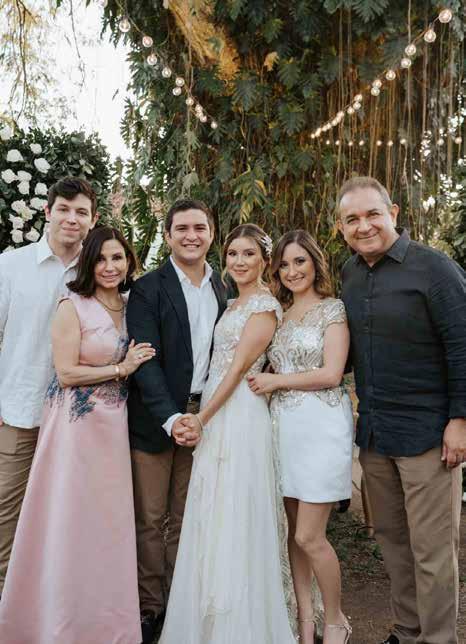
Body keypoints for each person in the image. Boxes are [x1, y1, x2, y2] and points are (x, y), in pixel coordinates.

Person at [0, 226, 154, 643]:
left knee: (107, 523)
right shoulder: (72, 305)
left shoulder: (132, 306)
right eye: (101, 258)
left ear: (129, 262)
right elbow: (66, 372)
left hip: (114, 426)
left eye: (117, 258)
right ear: (89, 263)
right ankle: (55, 622)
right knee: (68, 519)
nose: (109, 266)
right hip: (74, 428)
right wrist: (121, 368)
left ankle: (105, 625)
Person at [338, 176, 466, 644]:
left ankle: (438, 639)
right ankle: (407, 630)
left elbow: (462, 346)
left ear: (392, 213)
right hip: (375, 434)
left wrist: (460, 421)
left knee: (432, 552)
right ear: (341, 227)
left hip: (429, 435)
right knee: (393, 543)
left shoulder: (435, 269)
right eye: (352, 219)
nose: (364, 226)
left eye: (372, 214)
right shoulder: (349, 274)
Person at [159, 223, 295, 644]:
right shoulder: (231, 302)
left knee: (237, 510)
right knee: (210, 508)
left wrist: (201, 418)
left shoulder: (265, 308)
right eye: (233, 253)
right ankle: (203, 619)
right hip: (217, 414)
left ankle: (239, 626)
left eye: (249, 254)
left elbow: (237, 371)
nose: (239, 261)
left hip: (240, 416)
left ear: (265, 260)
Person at [126, 199, 227, 642]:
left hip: (205, 419)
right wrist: (171, 418)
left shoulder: (224, 285)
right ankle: (150, 608)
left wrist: (198, 418)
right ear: (167, 235)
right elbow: (145, 361)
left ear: (211, 234)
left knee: (188, 516)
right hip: (156, 420)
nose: (191, 235)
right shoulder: (148, 288)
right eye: (182, 228)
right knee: (150, 519)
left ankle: (179, 603)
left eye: (199, 227)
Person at [247, 229, 353, 644]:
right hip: (282, 430)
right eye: (284, 265)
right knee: (294, 535)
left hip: (321, 428)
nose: (292, 271)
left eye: (300, 261)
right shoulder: (280, 314)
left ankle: (336, 620)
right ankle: (305, 622)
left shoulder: (333, 309)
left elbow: (331, 373)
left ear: (314, 263)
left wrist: (276, 382)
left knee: (310, 535)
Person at [0, 176, 98, 593]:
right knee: (6, 511)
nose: (72, 219)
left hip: (78, 419)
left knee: (65, 513)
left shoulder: (100, 272)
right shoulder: (11, 266)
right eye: (64, 209)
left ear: (93, 220)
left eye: (81, 212)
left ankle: (49, 600)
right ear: (47, 212)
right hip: (19, 411)